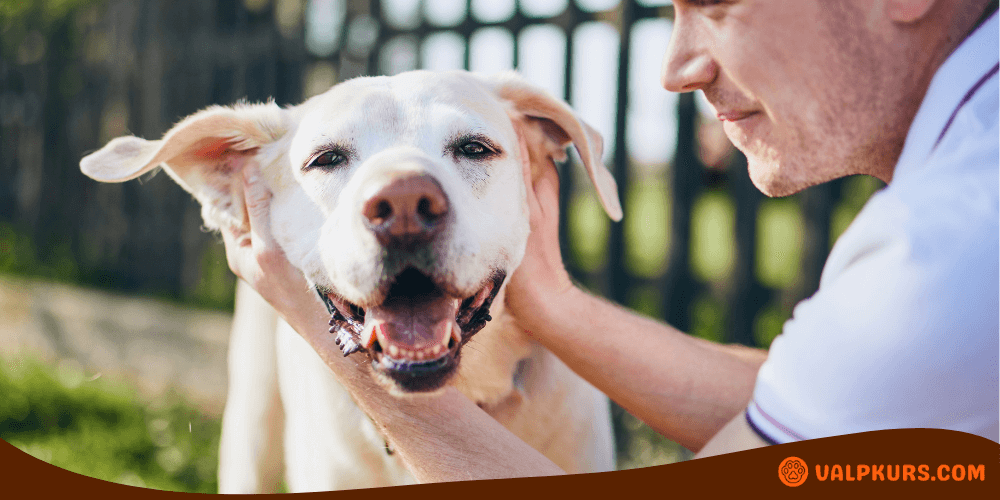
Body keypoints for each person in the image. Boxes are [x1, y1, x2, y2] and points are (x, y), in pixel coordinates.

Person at [221, 0, 999, 481]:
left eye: (717, 3)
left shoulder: (949, 246)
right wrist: (553, 306)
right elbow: (846, 416)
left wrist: (343, 351)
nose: (675, 69)